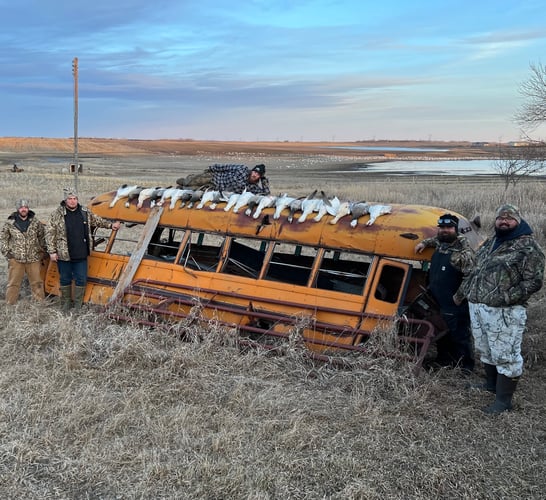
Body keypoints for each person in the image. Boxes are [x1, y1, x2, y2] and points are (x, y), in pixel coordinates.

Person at [455, 204, 544, 414]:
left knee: (506, 353)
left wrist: (505, 298)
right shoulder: (493, 241)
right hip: (478, 307)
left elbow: (534, 282)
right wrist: (462, 294)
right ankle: (491, 385)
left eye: (509, 218)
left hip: (505, 312)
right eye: (500, 218)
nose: (504, 221)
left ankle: (504, 401)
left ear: (518, 221)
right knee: (485, 348)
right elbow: (476, 270)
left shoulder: (528, 247)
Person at [415, 213, 476, 372]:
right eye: (442, 227)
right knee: (441, 331)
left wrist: (459, 296)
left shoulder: (464, 252)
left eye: (449, 227)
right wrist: (424, 242)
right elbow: (434, 240)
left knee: (459, 335)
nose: (444, 230)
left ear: (455, 229)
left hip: (454, 302)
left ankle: (465, 367)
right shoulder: (441, 243)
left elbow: (471, 277)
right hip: (437, 299)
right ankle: (444, 361)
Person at [46, 191, 122, 311]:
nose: (72, 201)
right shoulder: (57, 214)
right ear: (65, 200)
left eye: (75, 198)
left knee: (81, 279)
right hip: (64, 254)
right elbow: (50, 233)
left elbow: (97, 221)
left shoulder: (84, 212)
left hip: (81, 253)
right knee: (65, 279)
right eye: (70, 198)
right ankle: (65, 305)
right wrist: (52, 251)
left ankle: (77, 305)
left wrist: (110, 225)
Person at [0, 199, 47, 304]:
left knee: (37, 283)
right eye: (21, 207)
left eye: (25, 207)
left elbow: (42, 237)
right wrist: (7, 253)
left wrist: (42, 251)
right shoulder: (10, 223)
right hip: (16, 259)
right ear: (18, 209)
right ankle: (10, 304)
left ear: (28, 208)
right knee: (13, 283)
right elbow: (3, 239)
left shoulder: (35, 222)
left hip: (33, 258)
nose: (23, 209)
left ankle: (39, 304)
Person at [176, 164, 270, 195]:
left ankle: (180, 188)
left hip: (215, 188)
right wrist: (211, 168)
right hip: (214, 177)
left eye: (258, 174)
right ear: (252, 171)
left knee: (191, 190)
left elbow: (265, 195)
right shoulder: (242, 169)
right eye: (254, 172)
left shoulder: (253, 188)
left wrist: (264, 181)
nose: (254, 175)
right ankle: (184, 181)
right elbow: (226, 167)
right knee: (191, 181)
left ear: (260, 177)